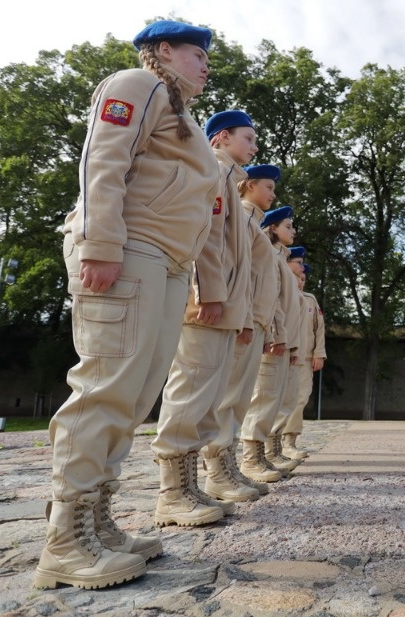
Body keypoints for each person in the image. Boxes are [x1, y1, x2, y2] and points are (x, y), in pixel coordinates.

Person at [36, 20, 219, 590]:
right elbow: (102, 158)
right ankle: (65, 541)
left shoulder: (180, 112)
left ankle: (97, 521)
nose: (206, 64)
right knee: (106, 387)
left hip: (165, 259)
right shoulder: (135, 84)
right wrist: (100, 242)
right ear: (163, 51)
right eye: (196, 54)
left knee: (136, 393)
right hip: (129, 246)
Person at [150, 110, 256, 526]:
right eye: (247, 138)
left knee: (210, 397)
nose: (254, 145)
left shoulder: (227, 179)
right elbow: (203, 236)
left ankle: (198, 483)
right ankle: (173, 493)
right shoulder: (212, 169)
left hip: (223, 302)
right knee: (191, 391)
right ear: (221, 138)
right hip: (207, 301)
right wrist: (207, 293)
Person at [208, 164, 281, 497]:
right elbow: (236, 271)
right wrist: (244, 316)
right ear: (249, 186)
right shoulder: (241, 216)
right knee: (230, 396)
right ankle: (219, 470)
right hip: (242, 317)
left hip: (255, 319)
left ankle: (230, 466)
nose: (273, 192)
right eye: (268, 186)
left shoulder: (253, 223)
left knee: (238, 398)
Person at [240, 206, 302, 482]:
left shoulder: (280, 258)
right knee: (262, 398)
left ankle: (267, 452)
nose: (293, 231)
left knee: (275, 399)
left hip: (280, 337)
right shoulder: (272, 255)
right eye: (288, 226)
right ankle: (251, 458)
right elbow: (272, 300)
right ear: (273, 227)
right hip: (270, 335)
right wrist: (276, 334)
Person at [282, 264, 326, 458]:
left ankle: (289, 441)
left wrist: (318, 353)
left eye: (303, 279)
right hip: (281, 355)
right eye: (297, 278)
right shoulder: (280, 295)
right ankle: (270, 442)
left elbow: (319, 329)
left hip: (305, 357)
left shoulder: (310, 300)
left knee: (301, 398)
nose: (300, 282)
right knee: (278, 399)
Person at [271, 246, 310, 460]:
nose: (301, 269)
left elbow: (311, 330)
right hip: (276, 345)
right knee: (266, 399)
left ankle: (275, 448)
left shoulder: (305, 298)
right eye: (297, 263)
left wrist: (297, 349)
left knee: (289, 399)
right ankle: (258, 454)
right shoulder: (280, 281)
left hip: (293, 350)